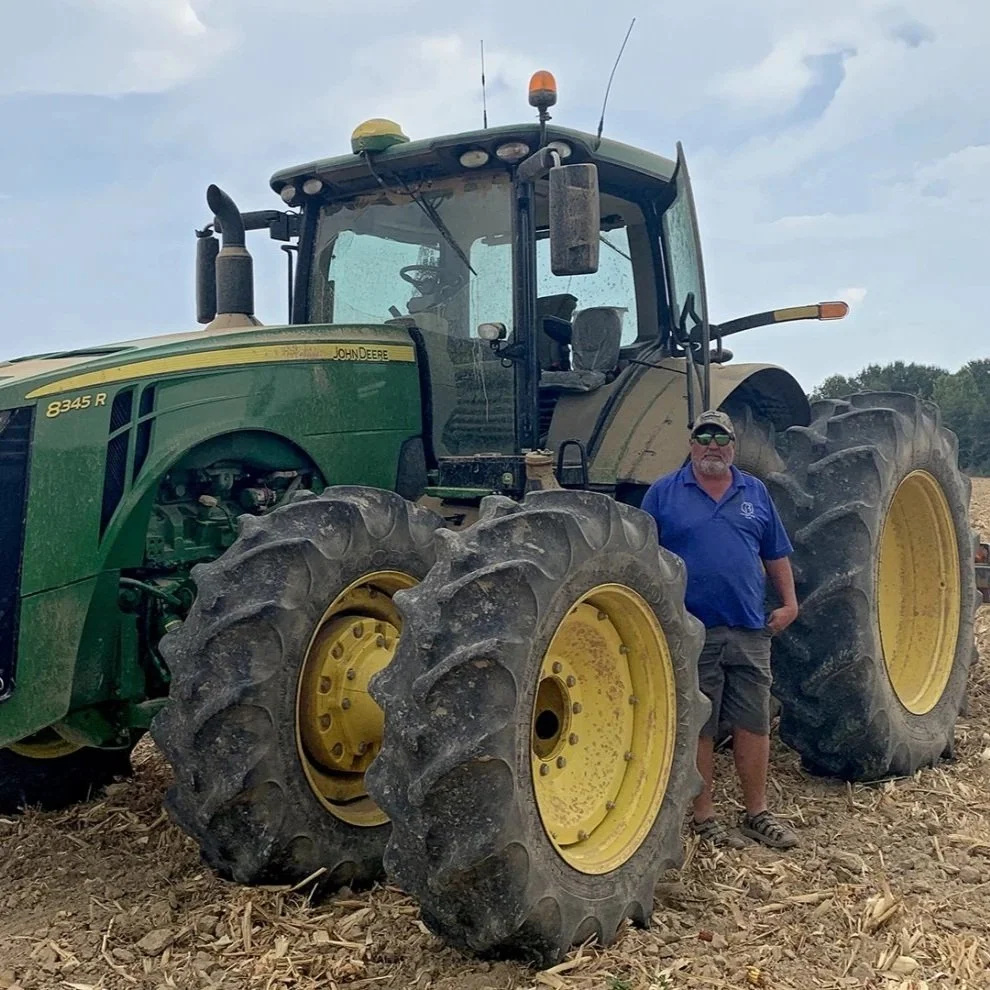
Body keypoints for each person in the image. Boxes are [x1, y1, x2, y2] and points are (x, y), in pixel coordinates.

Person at [639, 409, 799, 850]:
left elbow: (775, 553)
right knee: (701, 724)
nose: (713, 444)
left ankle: (757, 812)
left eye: (721, 437)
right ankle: (704, 815)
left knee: (754, 721)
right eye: (703, 436)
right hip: (693, 630)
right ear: (691, 443)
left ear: (733, 445)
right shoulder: (663, 493)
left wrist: (788, 602)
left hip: (750, 626)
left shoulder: (756, 492)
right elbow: (644, 558)